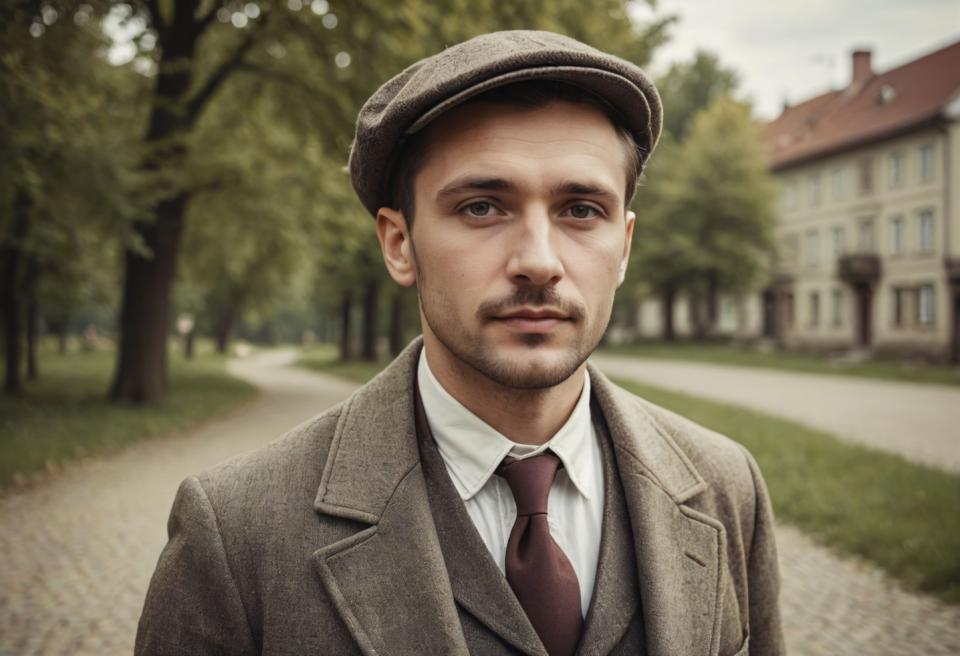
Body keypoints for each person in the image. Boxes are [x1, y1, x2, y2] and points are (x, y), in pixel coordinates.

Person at [136, 30, 784, 656]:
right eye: (482, 207)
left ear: (625, 246)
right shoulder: (237, 532)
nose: (539, 261)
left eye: (581, 210)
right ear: (399, 244)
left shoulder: (726, 488)